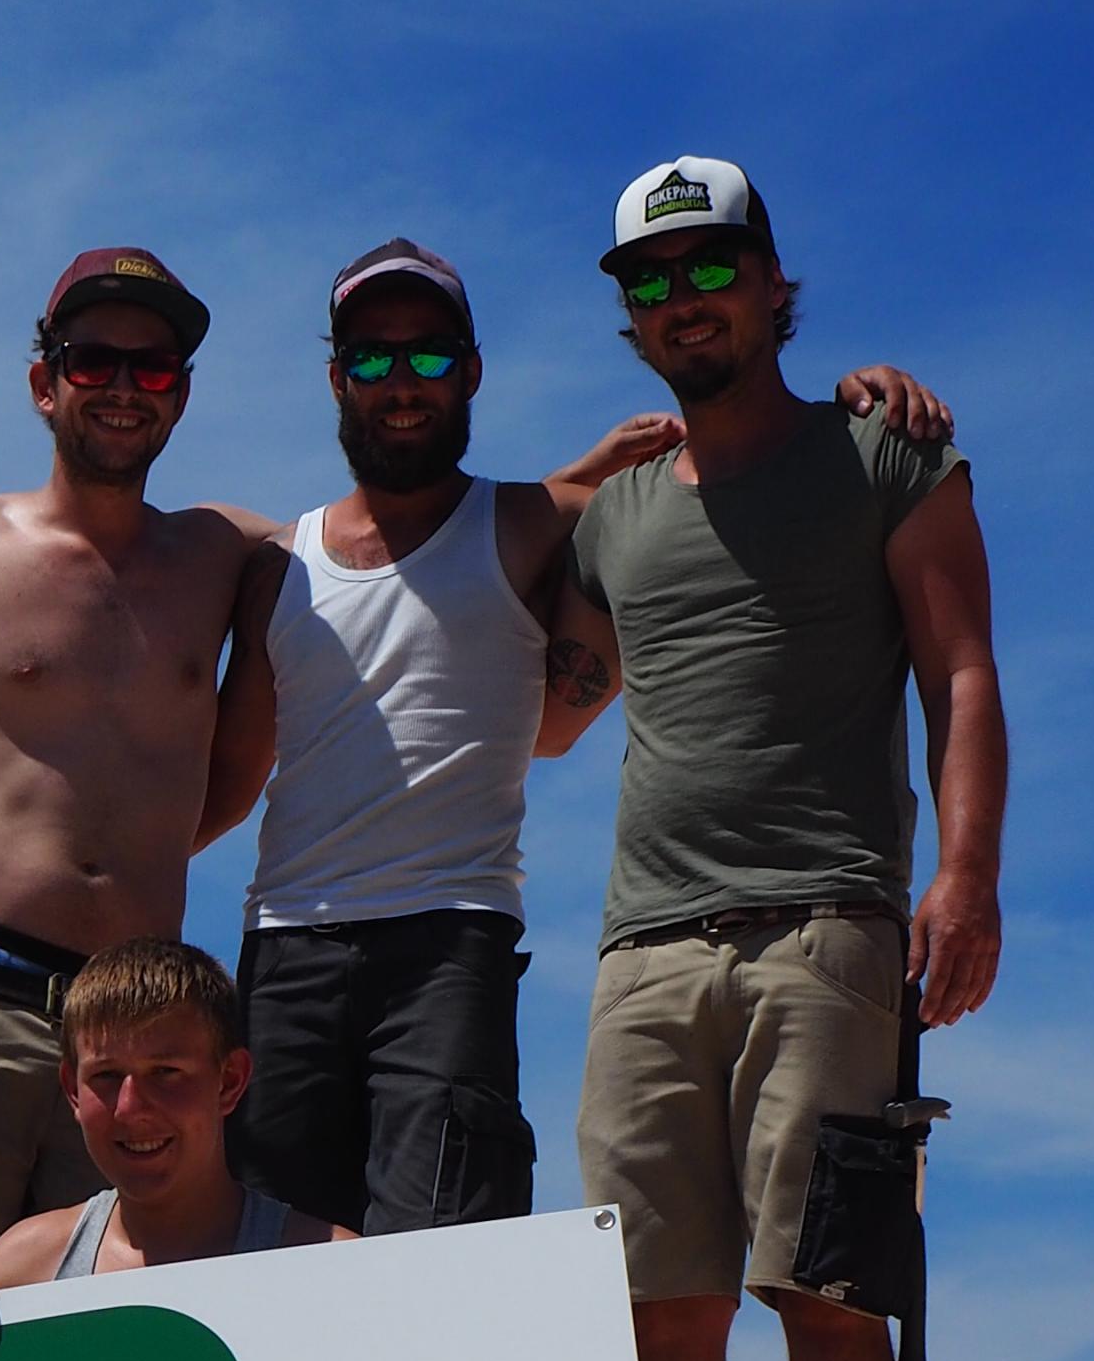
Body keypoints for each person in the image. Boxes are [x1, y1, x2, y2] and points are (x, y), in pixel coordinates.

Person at [222, 238, 951, 1243]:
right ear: (336, 374)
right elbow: (225, 779)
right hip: (282, 950)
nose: (402, 381)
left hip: (449, 943)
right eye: (373, 357)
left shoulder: (547, 521)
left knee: (441, 1260)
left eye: (429, 355)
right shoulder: (273, 564)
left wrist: (859, 397)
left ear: (472, 371)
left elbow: (725, 451)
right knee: (263, 1263)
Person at [554, 157, 1005, 1361]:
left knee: (826, 1295)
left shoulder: (887, 451)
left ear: (767, 280)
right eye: (652, 281)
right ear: (630, 314)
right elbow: (550, 719)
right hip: (641, 953)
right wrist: (557, 490)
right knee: (656, 1316)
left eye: (710, 268)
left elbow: (960, 671)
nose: (684, 300)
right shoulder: (611, 514)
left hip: (826, 928)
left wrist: (967, 878)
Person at [0, 250, 273, 1311]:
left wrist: (569, 493)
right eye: (92, 361)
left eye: (152, 369)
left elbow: (381, 538)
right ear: (44, 381)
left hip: (131, 1033)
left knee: (112, 1332)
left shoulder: (229, 557)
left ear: (182, 396)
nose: (123, 387)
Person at [0, 938, 347, 1350]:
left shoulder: (330, 1269)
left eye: (166, 1072)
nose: (130, 1108)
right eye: (107, 1076)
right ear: (72, 1090)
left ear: (229, 1082)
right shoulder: (23, 1270)